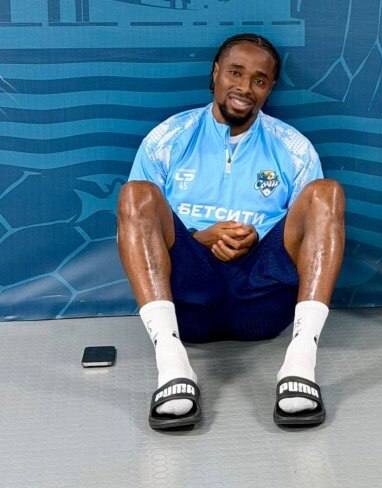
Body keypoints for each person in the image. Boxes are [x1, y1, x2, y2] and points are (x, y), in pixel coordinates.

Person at [117, 33, 344, 430]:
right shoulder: (169, 137)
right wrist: (198, 237)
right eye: (235, 73)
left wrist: (257, 237)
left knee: (327, 193)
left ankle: (300, 363)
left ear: (270, 88)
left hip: (263, 303)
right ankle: (172, 366)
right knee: (136, 194)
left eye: (259, 79)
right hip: (188, 304)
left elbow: (305, 235)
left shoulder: (293, 147)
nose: (245, 87)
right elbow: (140, 227)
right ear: (215, 73)